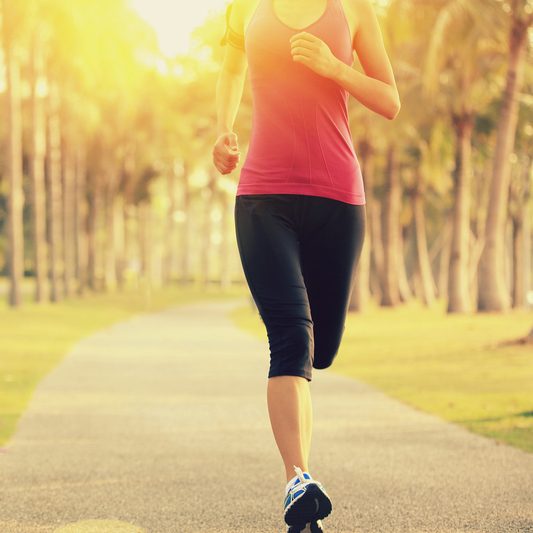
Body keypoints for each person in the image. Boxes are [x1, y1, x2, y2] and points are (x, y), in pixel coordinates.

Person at [213, 0, 400, 530]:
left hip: (338, 199)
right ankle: (298, 481)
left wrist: (333, 67)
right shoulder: (245, 8)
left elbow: (389, 100)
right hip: (262, 197)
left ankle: (301, 481)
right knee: (292, 337)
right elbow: (229, 69)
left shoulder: (355, 11)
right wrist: (222, 131)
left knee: (322, 346)